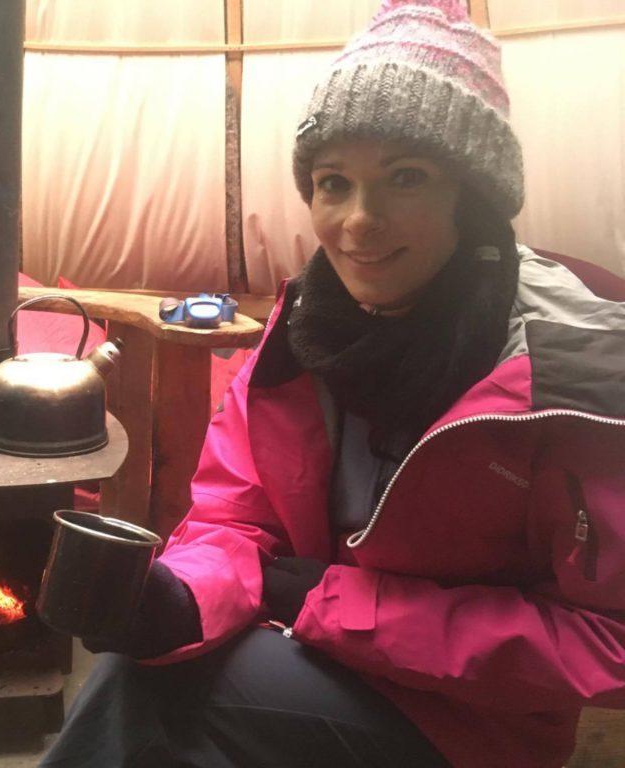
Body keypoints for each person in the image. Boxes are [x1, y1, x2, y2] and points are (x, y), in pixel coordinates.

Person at [39, 1, 625, 766]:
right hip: (312, 652)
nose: (358, 221)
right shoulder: (307, 330)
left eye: (405, 178)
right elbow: (235, 515)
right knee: (149, 676)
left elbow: (608, 637)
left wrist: (335, 605)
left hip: (469, 724)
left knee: (147, 700)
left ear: (472, 194)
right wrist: (178, 602)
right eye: (332, 182)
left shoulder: (570, 365)